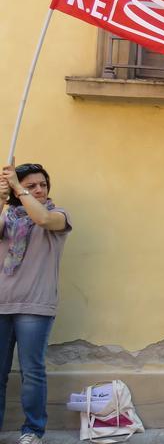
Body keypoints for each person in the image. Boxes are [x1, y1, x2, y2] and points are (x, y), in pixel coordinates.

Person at [0, 163, 73, 444]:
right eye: (32, 186)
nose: (39, 189)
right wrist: (2, 199)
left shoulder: (58, 216)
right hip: (1, 304)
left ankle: (32, 431)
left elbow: (41, 219)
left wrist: (18, 187)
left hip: (35, 306)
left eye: (43, 184)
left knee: (31, 373)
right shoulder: (7, 219)